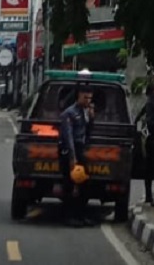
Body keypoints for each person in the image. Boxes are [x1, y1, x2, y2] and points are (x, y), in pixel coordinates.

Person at [58, 84, 96, 227]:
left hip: (81, 149)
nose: (88, 100)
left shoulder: (86, 112)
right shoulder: (69, 113)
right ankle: (69, 216)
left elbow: (88, 131)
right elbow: (68, 137)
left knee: (84, 183)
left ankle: (81, 214)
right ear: (78, 96)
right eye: (85, 97)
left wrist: (92, 118)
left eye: (90, 98)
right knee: (69, 184)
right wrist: (72, 158)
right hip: (69, 151)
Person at [135, 82, 154, 205]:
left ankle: (149, 195)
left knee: (149, 169)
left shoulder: (149, 103)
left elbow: (138, 117)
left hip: (151, 138)